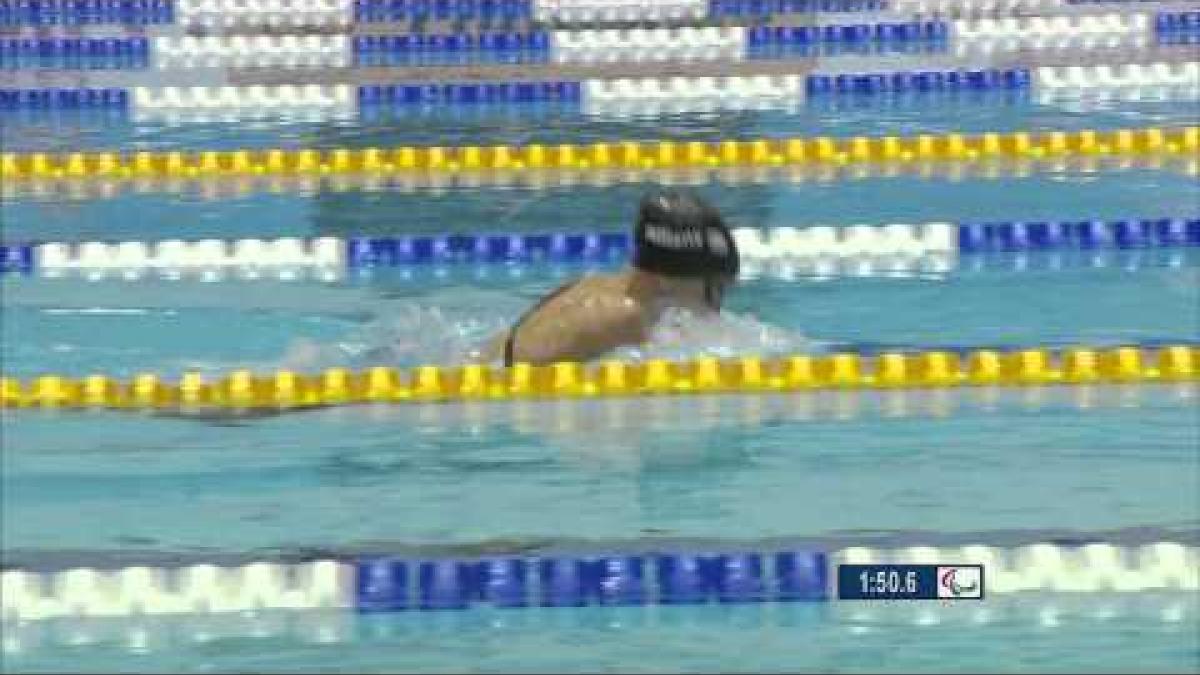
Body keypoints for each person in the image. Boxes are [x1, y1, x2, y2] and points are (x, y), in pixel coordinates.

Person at [477, 188, 740, 366]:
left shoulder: (604, 286)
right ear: (670, 278)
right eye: (713, 289)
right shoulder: (625, 316)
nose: (715, 308)